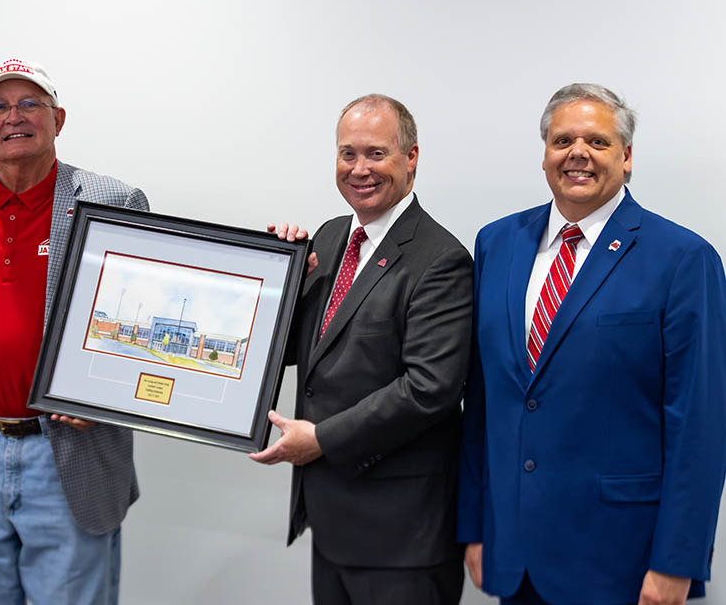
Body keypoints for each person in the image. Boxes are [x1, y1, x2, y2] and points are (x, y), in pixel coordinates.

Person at [457, 83, 726, 605]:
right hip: (514, 554)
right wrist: (475, 523)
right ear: (544, 156)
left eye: (597, 142)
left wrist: (678, 563)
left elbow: (700, 427)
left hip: (622, 563)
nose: (577, 153)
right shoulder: (497, 243)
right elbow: (482, 402)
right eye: (563, 141)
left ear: (626, 158)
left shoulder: (684, 260)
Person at [0, 58, 148, 605]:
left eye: (30, 104)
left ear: (59, 119)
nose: (14, 117)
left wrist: (103, 393)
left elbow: (142, 321)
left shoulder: (113, 200)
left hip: (68, 451)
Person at [252, 94, 472, 604]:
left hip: (402, 536)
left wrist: (322, 439)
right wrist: (280, 275)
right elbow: (293, 349)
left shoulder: (440, 259)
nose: (359, 169)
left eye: (376, 153)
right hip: (332, 522)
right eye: (347, 154)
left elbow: (429, 389)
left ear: (411, 157)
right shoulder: (329, 239)